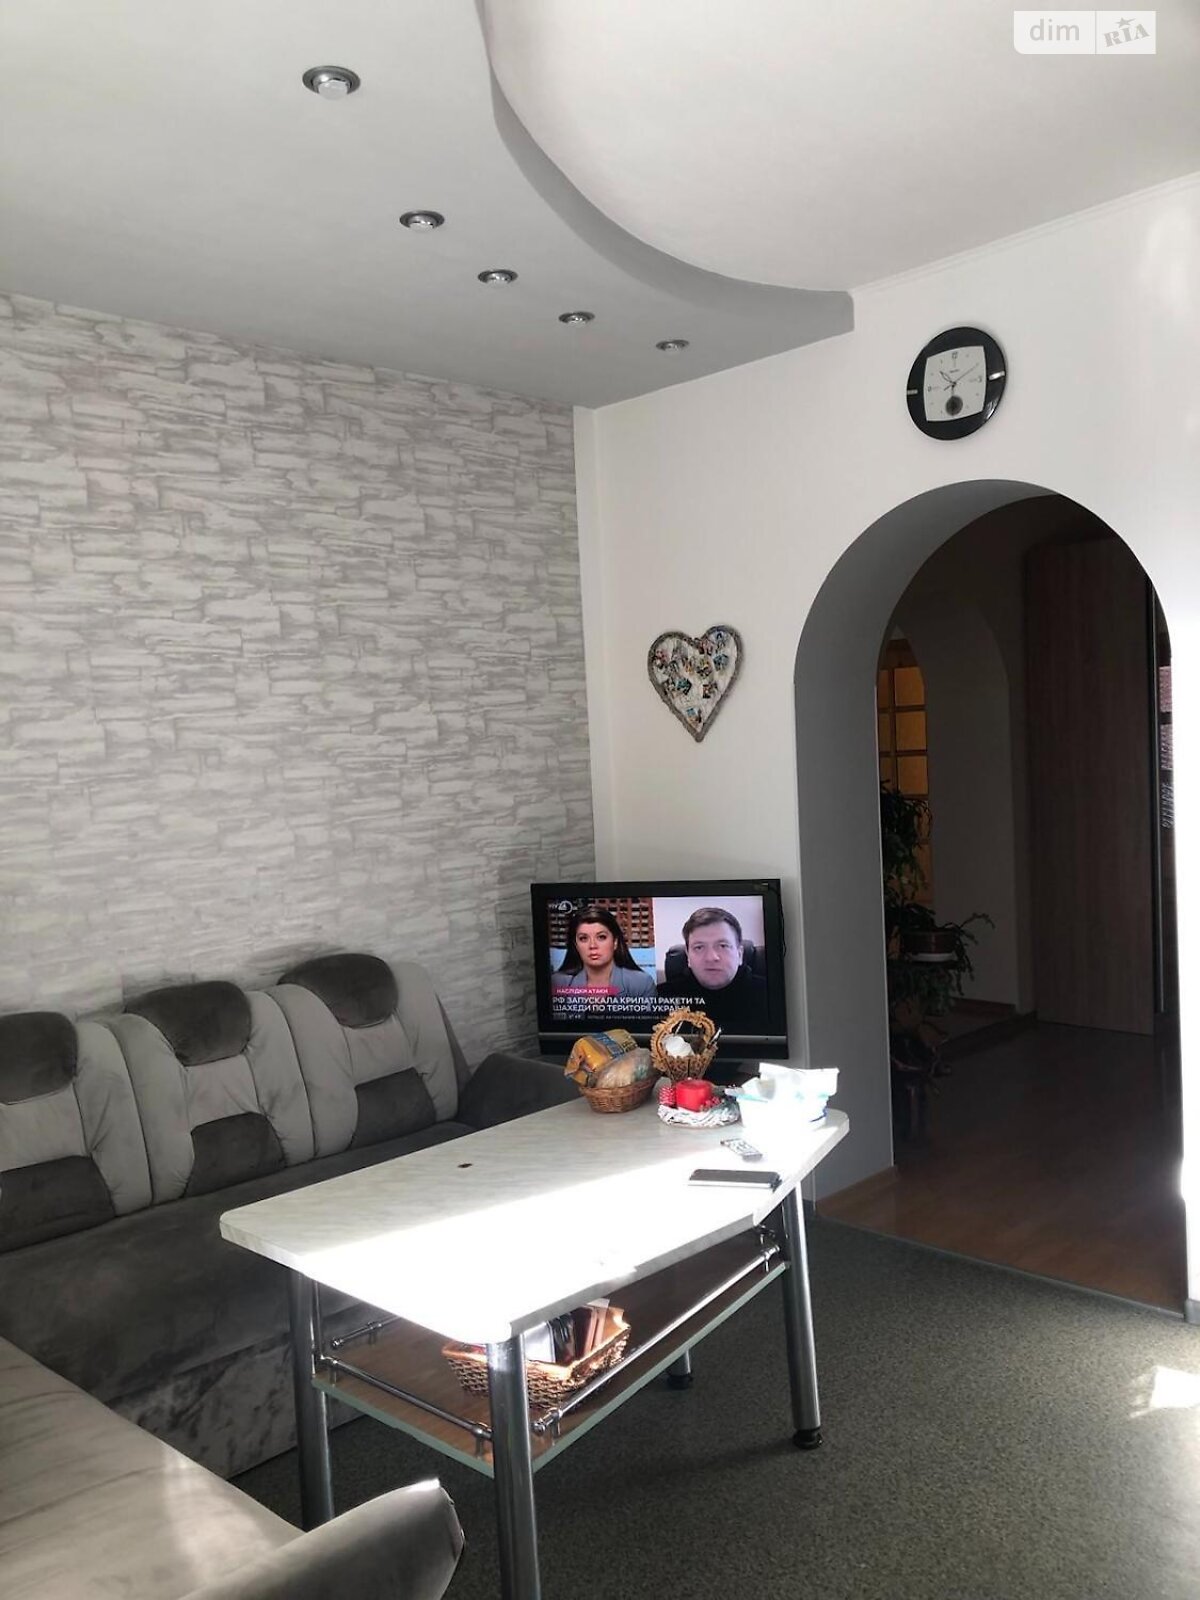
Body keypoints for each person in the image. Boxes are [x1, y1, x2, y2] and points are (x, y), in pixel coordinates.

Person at [656, 906, 769, 1031]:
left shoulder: (772, 996)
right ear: (688, 957)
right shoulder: (660, 998)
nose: (711, 957)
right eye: (699, 947)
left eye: (723, 946)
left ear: (740, 954)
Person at [551, 905, 655, 995]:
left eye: (601, 937)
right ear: (576, 945)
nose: (592, 945)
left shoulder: (641, 984)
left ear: (615, 942)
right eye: (583, 938)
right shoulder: (558, 983)